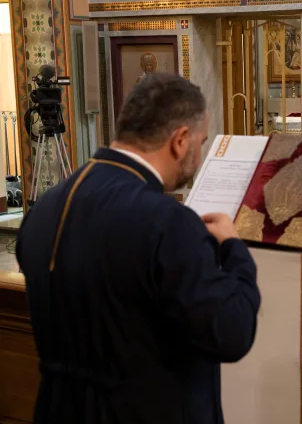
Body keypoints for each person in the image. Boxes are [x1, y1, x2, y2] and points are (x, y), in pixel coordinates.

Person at [16, 73, 261, 423]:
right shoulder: (167, 222)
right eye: (201, 142)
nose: (198, 155)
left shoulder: (45, 207)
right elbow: (231, 333)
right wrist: (235, 250)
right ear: (180, 140)